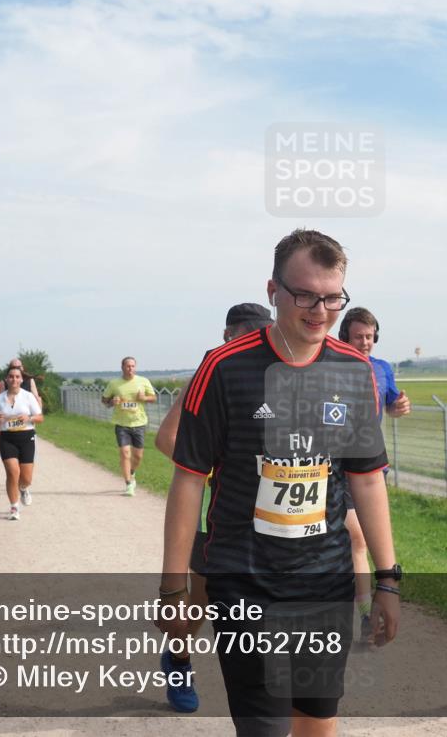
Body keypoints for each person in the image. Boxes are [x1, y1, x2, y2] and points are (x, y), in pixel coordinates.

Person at [160, 229, 401, 737]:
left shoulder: (355, 371)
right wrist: (174, 585)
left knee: (316, 721)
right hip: (243, 579)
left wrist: (387, 579)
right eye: (305, 295)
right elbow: (187, 482)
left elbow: (367, 481)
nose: (320, 310)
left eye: (333, 297)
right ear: (273, 291)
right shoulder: (223, 367)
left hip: (325, 581)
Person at [153, 301, 272, 713]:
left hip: (278, 528)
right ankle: (180, 660)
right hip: (222, 522)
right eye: (246, 338)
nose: (253, 347)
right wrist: (214, 469)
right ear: (227, 336)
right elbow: (167, 439)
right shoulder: (212, 372)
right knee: (193, 613)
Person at [336, 307, 411, 641]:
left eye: (369, 336)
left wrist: (399, 407)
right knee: (355, 537)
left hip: (370, 464)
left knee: (358, 540)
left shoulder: (382, 369)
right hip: (336, 464)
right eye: (358, 337)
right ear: (345, 338)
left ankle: (364, 613)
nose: (365, 342)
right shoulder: (332, 365)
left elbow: (393, 404)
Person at [0, 367, 43, 521]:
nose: (14, 379)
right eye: (11, 376)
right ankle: (14, 507)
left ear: (21, 379)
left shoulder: (28, 397)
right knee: (12, 473)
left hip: (26, 438)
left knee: (26, 478)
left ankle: (23, 489)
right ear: (7, 379)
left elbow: (40, 417)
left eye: (17, 377)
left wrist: (29, 418)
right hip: (7, 438)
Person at [101, 357, 156, 496]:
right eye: (127, 366)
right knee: (125, 453)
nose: (130, 368)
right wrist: (112, 402)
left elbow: (153, 398)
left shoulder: (143, 381)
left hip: (139, 423)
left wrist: (144, 398)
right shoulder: (114, 384)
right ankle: (128, 484)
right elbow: (104, 400)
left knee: (138, 456)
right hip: (121, 424)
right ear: (122, 367)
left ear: (135, 367)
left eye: (132, 366)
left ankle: (132, 472)